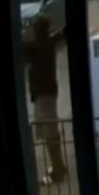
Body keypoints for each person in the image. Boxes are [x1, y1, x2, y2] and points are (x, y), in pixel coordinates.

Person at [25, 15, 67, 185]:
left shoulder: (39, 46)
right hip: (46, 92)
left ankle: (57, 171)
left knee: (50, 132)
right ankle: (59, 166)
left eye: (34, 27)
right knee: (50, 130)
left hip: (44, 94)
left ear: (38, 30)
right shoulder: (46, 44)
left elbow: (23, 46)